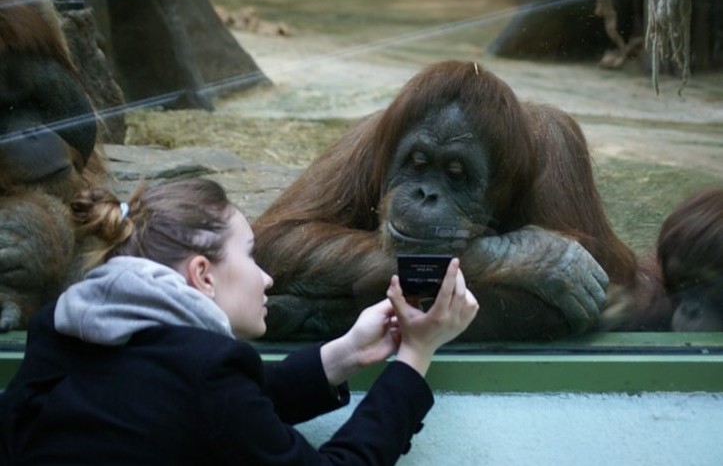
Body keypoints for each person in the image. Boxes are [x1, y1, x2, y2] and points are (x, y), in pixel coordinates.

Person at [0, 177, 479, 465]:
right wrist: (415, 358)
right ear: (203, 276)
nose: (267, 278)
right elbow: (213, 401)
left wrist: (348, 351)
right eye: (251, 256)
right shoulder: (205, 374)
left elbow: (200, 408)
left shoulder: (58, 333)